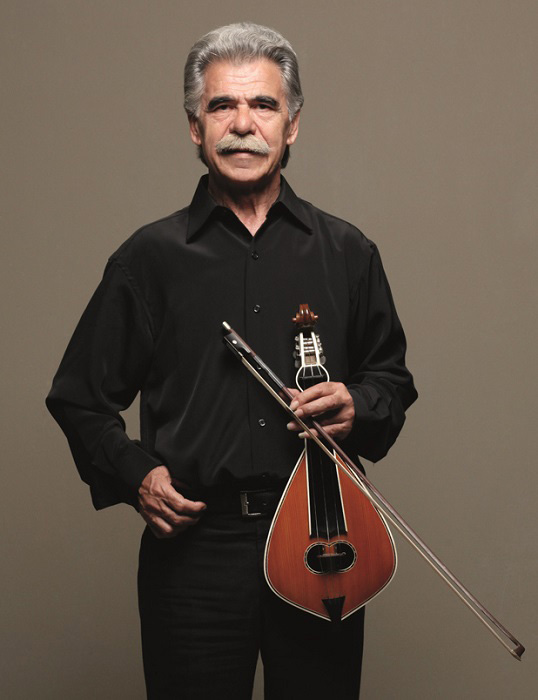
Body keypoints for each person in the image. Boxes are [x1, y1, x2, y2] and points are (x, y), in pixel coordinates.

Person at [47, 22, 417, 700]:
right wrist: (136, 475)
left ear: (292, 125)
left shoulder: (347, 253)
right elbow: (78, 398)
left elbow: (390, 383)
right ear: (196, 127)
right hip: (195, 552)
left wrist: (357, 404)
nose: (242, 124)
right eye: (222, 105)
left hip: (322, 534)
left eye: (263, 105)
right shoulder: (148, 259)